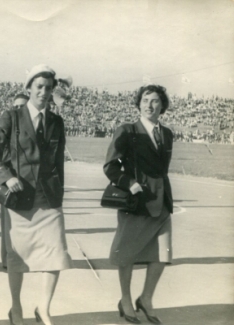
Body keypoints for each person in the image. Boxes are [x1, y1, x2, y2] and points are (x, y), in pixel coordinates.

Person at [0, 65, 72, 325]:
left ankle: (43, 309)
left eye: (48, 88)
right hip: (19, 196)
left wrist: (59, 193)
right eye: (39, 87)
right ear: (29, 88)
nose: (44, 92)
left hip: (48, 198)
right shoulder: (11, 116)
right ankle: (16, 308)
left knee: (57, 253)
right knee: (17, 256)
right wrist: (6, 176)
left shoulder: (57, 121)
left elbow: (59, 163)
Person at [104, 84, 174, 325]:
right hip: (136, 201)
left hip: (162, 201)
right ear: (139, 103)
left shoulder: (167, 134)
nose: (149, 105)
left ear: (162, 106)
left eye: (155, 101)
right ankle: (125, 299)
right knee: (127, 254)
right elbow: (110, 166)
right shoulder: (127, 131)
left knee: (162, 254)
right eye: (145, 100)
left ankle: (145, 298)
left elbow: (161, 170)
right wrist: (128, 182)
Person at [0, 93, 29, 269]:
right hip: (11, 181)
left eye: (22, 106)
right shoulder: (7, 126)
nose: (18, 110)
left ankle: (23, 259)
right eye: (15, 106)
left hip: (30, 182)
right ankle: (7, 261)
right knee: (8, 225)